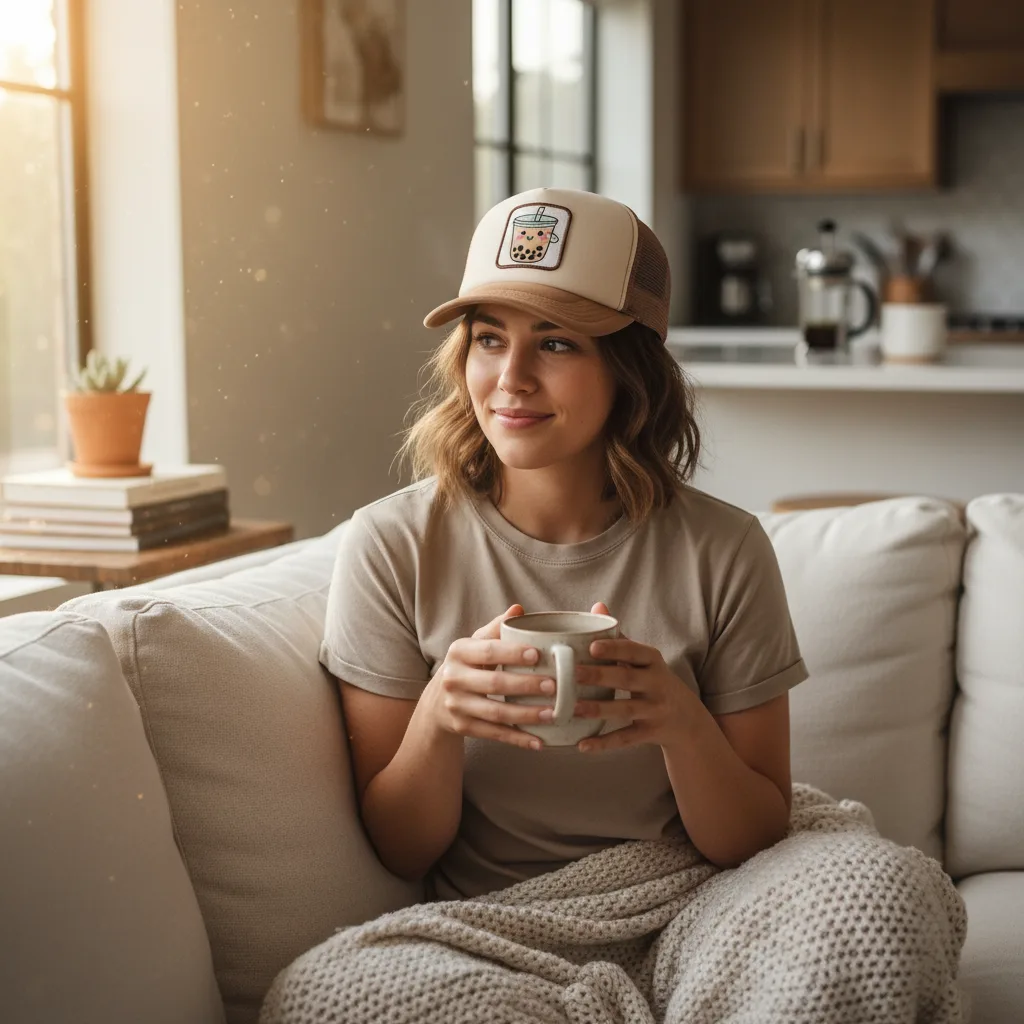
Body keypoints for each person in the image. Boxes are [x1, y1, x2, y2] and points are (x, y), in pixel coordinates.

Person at [319, 187, 810, 903]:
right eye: (490, 339)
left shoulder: (726, 550)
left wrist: (681, 722)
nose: (510, 380)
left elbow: (757, 840)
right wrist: (438, 717)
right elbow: (401, 850)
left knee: (870, 899)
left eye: (555, 342)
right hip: (495, 926)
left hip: (693, 908)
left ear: (629, 371)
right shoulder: (391, 547)